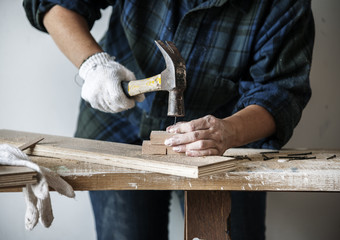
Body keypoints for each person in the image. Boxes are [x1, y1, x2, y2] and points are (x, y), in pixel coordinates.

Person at [23, 0, 314, 239]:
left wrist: (230, 130)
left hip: (226, 140)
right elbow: (53, 4)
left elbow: (281, 91)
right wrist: (93, 64)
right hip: (117, 127)